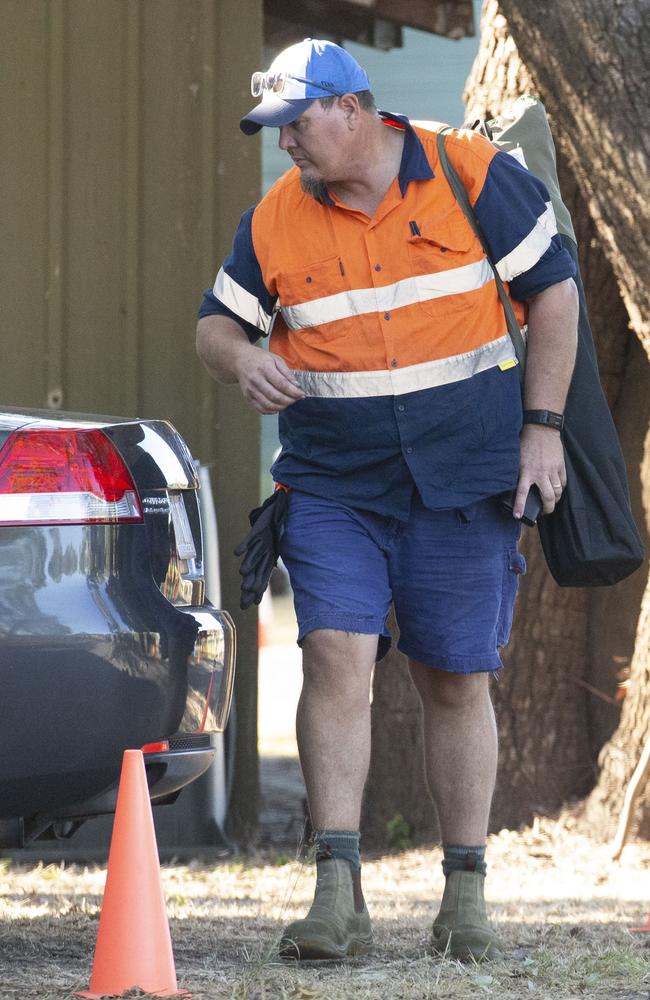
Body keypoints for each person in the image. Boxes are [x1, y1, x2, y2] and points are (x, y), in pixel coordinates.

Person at [196, 38, 578, 962]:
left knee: (455, 678)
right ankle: (337, 892)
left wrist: (544, 427)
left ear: (353, 110)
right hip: (335, 484)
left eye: (297, 126)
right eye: (277, 132)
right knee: (334, 655)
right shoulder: (275, 221)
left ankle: (466, 897)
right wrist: (245, 357)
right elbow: (215, 323)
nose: (286, 146)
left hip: (464, 478)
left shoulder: (472, 174)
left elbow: (555, 295)